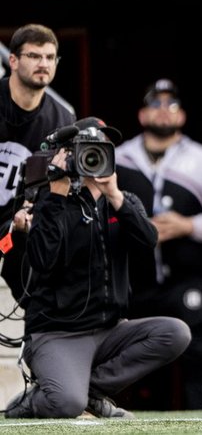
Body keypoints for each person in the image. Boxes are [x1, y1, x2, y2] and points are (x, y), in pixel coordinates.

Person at [3, 119, 191, 419]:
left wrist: (115, 195)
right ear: (70, 156)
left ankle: (90, 391)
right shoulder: (50, 203)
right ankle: (35, 400)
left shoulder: (123, 202)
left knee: (175, 333)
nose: (94, 157)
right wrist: (56, 193)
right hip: (57, 333)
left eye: (101, 149)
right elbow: (42, 261)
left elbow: (148, 240)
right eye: (86, 151)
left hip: (109, 330)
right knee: (66, 404)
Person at [114, 79, 202, 410]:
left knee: (198, 354)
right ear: (142, 114)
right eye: (156, 104)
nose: (164, 111)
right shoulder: (119, 158)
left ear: (182, 115)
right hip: (135, 282)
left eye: (172, 105)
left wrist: (188, 225)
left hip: (187, 277)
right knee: (139, 363)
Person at [0, 25, 74, 231]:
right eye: (34, 56)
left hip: (18, 231)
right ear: (13, 61)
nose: (44, 64)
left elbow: (54, 185)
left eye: (50, 58)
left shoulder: (63, 119)